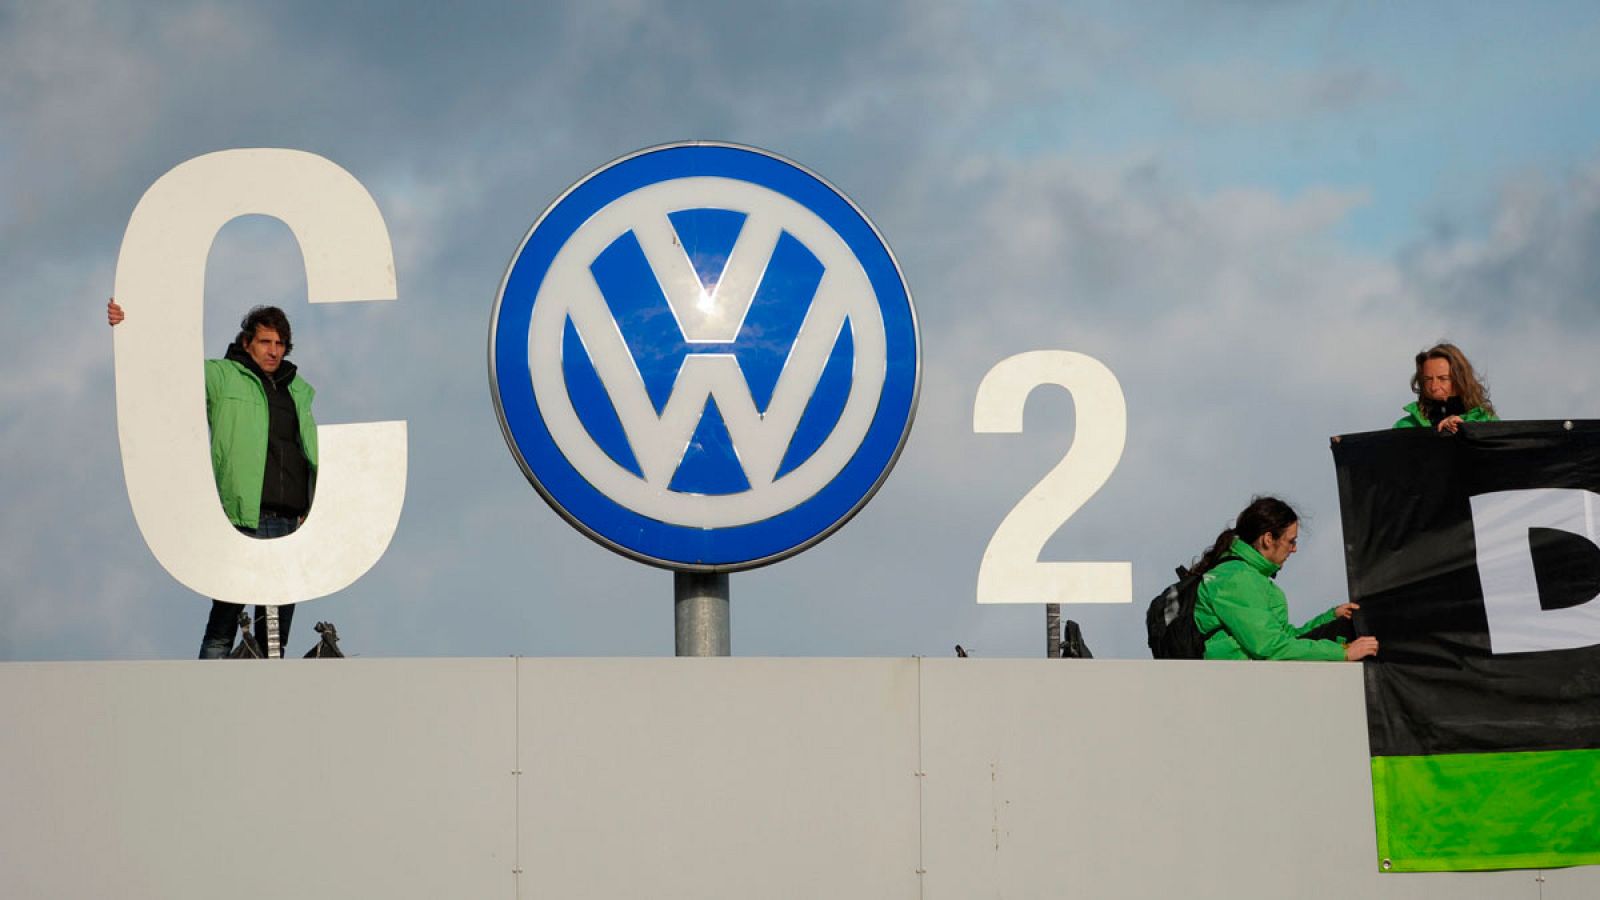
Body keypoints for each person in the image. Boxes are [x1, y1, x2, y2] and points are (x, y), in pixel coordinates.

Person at [108, 298, 317, 658]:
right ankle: (206, 701)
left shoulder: (297, 390)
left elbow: (307, 450)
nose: (273, 351)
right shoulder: (220, 376)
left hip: (289, 521)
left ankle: (262, 705)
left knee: (275, 635)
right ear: (248, 341)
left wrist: (313, 505)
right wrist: (129, 326)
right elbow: (168, 369)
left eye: (280, 343)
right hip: (242, 514)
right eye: (266, 341)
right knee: (225, 620)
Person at [1192, 496, 1378, 662]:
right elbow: (1270, 647)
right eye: (1291, 541)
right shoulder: (1237, 579)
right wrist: (1342, 652)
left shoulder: (1250, 577)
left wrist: (1331, 617)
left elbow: (1285, 639)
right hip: (1228, 688)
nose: (1294, 549)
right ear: (1268, 539)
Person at [1394, 343, 1498, 434]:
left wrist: (1466, 429)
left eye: (1443, 378)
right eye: (1428, 379)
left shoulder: (1488, 421)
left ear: (1460, 380)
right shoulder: (1405, 427)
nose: (1434, 387)